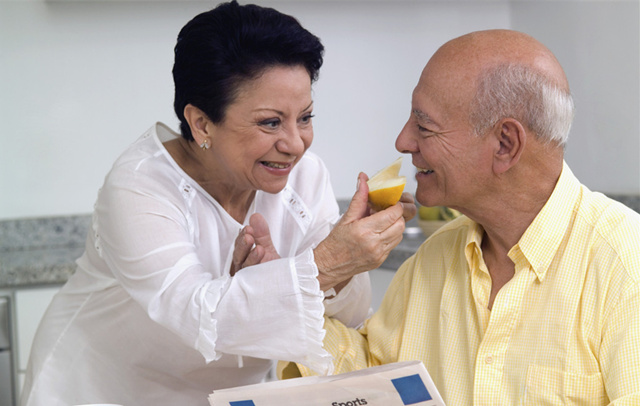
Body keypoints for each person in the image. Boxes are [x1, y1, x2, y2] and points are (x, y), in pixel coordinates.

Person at [20, 2, 413, 405]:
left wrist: (336, 263)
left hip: (224, 394)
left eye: (306, 118)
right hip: (102, 389)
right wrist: (327, 262)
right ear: (202, 123)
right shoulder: (140, 187)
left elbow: (345, 316)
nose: (295, 144)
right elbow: (197, 315)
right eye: (270, 122)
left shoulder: (305, 177)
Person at [284, 29, 640, 405]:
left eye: (424, 126)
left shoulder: (625, 266)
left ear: (505, 144)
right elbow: (373, 382)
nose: (403, 142)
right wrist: (290, 281)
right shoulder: (433, 259)